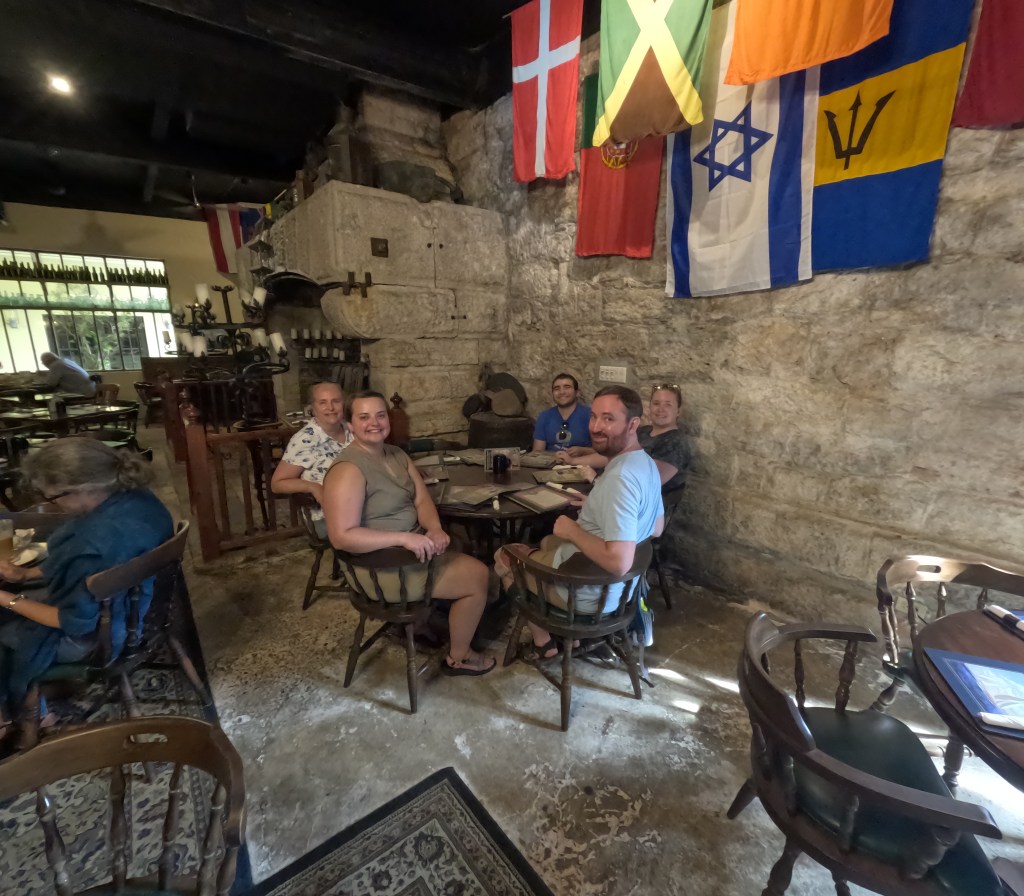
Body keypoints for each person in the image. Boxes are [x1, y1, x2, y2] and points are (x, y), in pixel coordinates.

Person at [0, 438, 174, 747]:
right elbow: (96, 574)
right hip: (139, 608)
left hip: (101, 636)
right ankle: (30, 702)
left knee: (6, 628)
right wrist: (26, 573)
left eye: (53, 497)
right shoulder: (138, 498)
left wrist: (8, 598)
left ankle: (25, 719)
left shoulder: (89, 544)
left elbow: (74, 623)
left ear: (84, 488)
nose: (52, 503)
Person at [321, 390, 495, 676]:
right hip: (383, 565)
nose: (374, 422)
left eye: (380, 415)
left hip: (409, 552)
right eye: (363, 417)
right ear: (349, 425)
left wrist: (435, 528)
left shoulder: (396, 454)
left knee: (459, 543)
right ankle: (460, 656)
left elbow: (421, 499)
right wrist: (404, 538)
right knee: (479, 575)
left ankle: (423, 622)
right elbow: (341, 536)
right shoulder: (348, 470)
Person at [498, 385, 663, 659]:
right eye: (594, 417)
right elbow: (655, 528)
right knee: (549, 541)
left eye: (609, 419)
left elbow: (620, 562)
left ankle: (544, 643)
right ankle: (568, 640)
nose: (596, 427)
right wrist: (599, 508)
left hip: (589, 595)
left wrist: (572, 530)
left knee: (504, 556)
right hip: (622, 591)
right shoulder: (644, 463)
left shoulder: (619, 480)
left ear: (633, 424)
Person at [559, 384, 690, 490]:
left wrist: (597, 481)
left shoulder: (676, 442)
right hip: (605, 491)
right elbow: (611, 456)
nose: (660, 409)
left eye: (668, 404)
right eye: (656, 403)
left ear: (678, 411)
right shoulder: (643, 431)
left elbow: (646, 484)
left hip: (631, 509)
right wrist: (573, 461)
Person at [271, 382, 352, 538]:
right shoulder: (305, 439)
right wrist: (313, 487)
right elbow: (277, 484)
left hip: (360, 505)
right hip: (327, 517)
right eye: (323, 402)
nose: (331, 407)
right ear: (313, 408)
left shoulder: (351, 430)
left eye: (336, 401)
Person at [532, 373, 591, 452]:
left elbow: (602, 453)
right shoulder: (544, 417)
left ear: (577, 392)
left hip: (581, 463)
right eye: (557, 389)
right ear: (552, 393)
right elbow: (537, 453)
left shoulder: (590, 415)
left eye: (567, 387)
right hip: (551, 462)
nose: (562, 392)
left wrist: (582, 451)